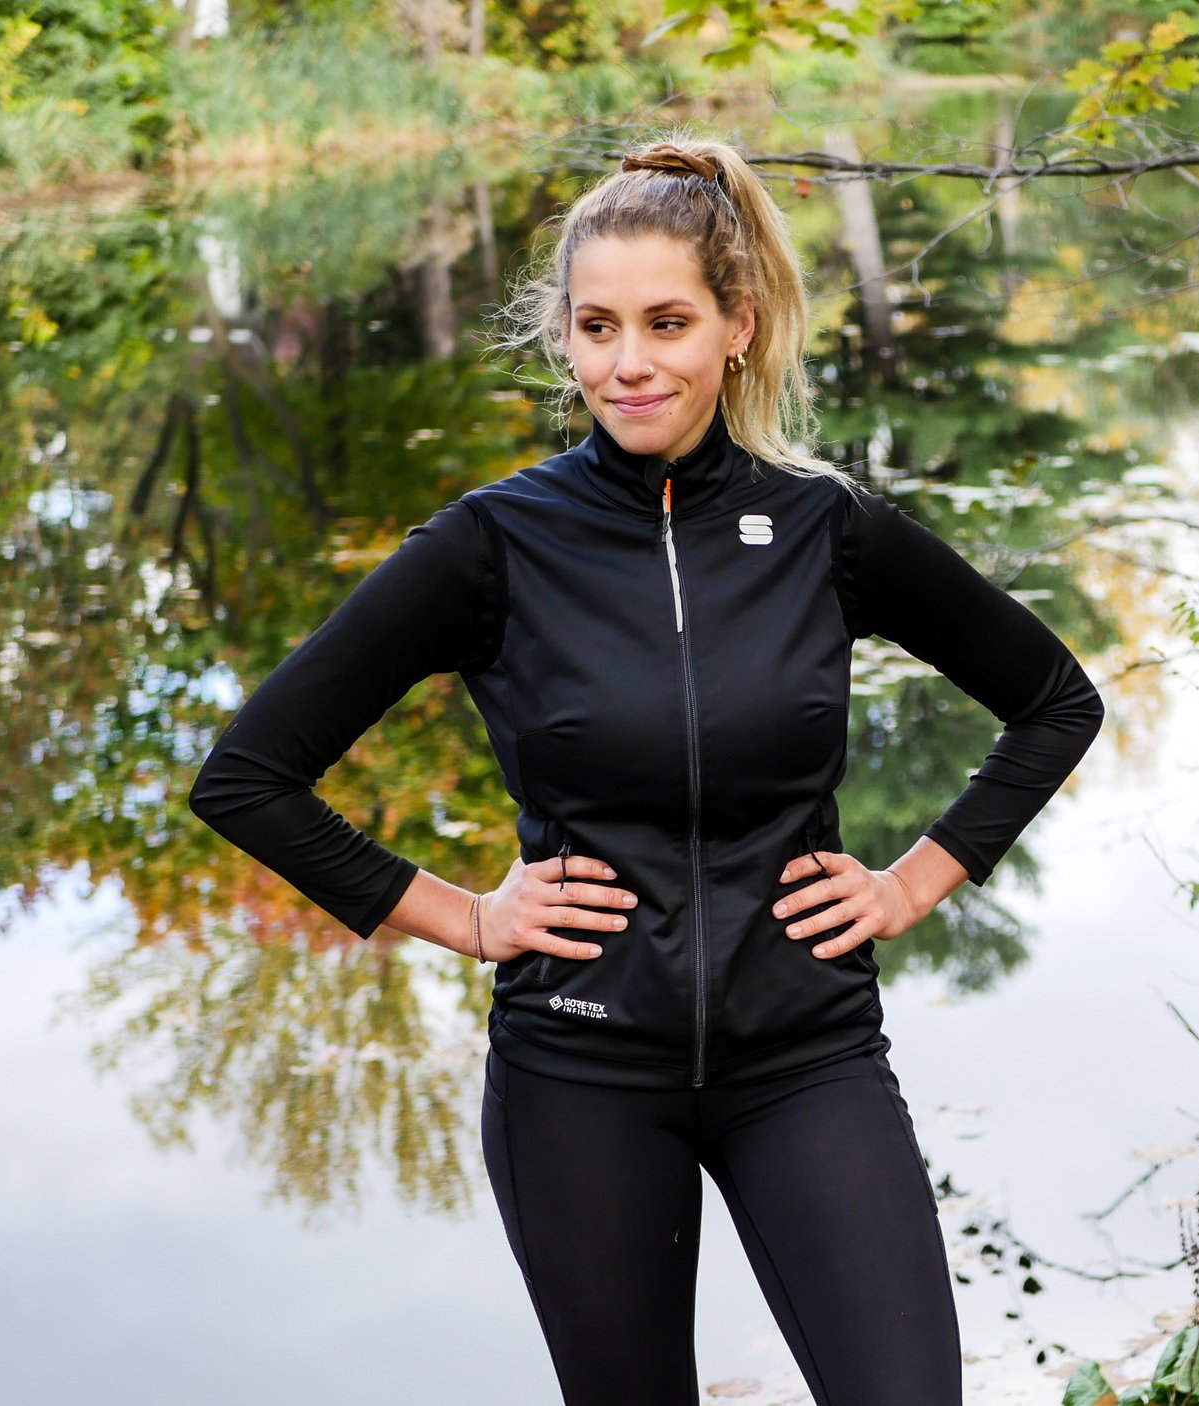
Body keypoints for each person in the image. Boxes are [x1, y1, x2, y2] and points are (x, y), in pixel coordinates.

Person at [184, 133, 1105, 1405]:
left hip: (807, 1054)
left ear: (736, 323)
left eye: (666, 322)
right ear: (563, 335)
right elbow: (246, 776)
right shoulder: (493, 545)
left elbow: (1054, 699)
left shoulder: (819, 526)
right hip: (581, 1072)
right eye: (597, 326)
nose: (629, 363)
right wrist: (468, 915)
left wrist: (909, 882)